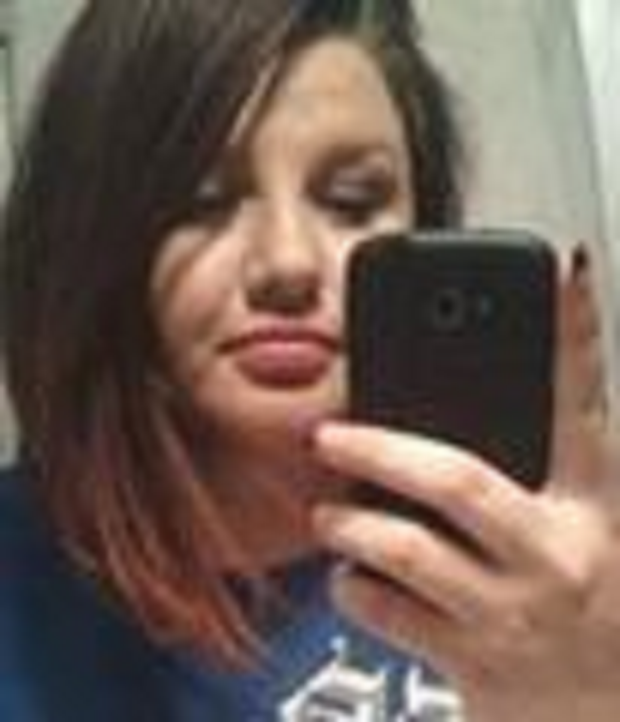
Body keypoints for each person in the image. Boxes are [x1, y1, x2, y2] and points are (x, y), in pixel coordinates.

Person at [0, 0, 617, 720]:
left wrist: (591, 699)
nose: (288, 263)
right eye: (202, 202)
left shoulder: (548, 563)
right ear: (96, 236)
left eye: (352, 201)